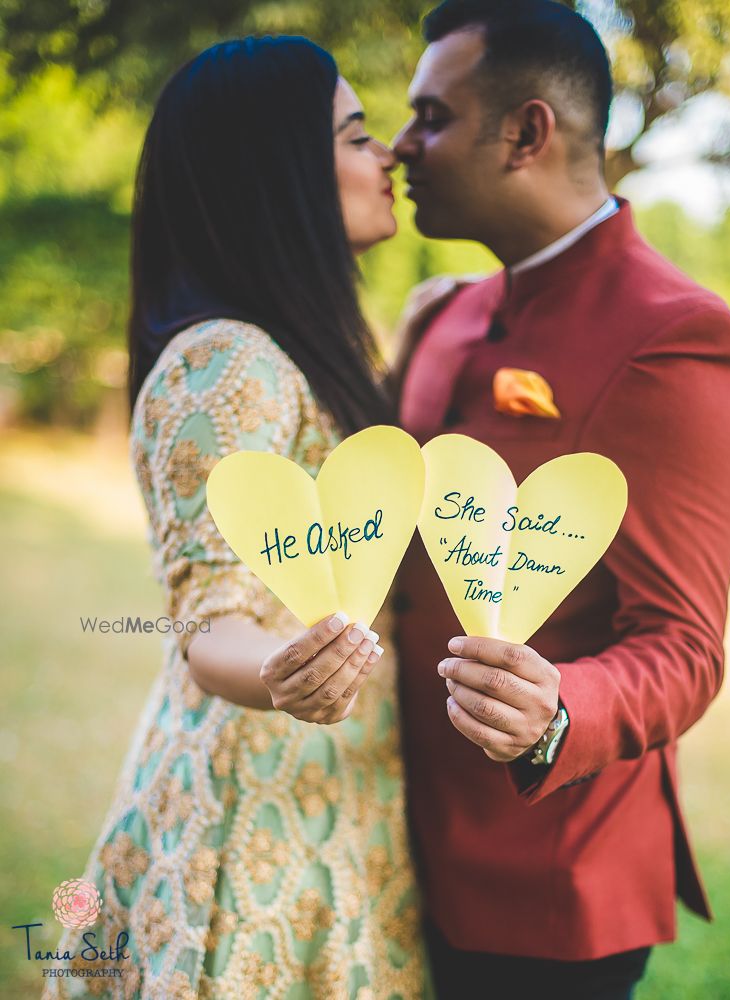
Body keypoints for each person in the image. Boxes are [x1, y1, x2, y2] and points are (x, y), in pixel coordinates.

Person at [44, 36, 430, 1000]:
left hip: (325, 796)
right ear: (279, 174)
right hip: (252, 817)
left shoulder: (290, 352)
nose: (386, 155)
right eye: (355, 135)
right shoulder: (226, 361)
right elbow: (204, 624)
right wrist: (285, 676)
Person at [391, 2, 730, 997]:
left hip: (543, 886)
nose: (400, 146)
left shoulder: (676, 336)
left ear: (526, 132)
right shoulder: (445, 314)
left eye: (431, 117)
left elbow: (684, 643)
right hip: (386, 841)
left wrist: (557, 710)